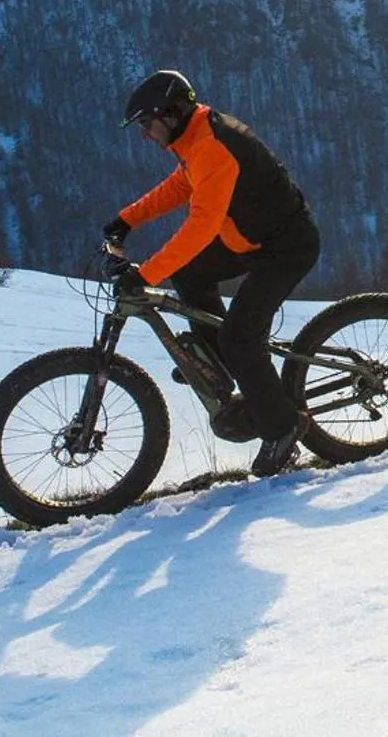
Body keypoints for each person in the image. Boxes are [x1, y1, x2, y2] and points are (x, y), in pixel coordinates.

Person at [103, 69, 322, 477]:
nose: (144, 135)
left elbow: (201, 226)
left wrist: (146, 274)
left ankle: (284, 427)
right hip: (250, 238)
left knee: (242, 338)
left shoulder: (212, 147)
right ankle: (224, 367)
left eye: (146, 125)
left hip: (284, 248)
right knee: (188, 274)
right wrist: (127, 219)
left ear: (169, 114)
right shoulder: (195, 136)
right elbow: (181, 185)